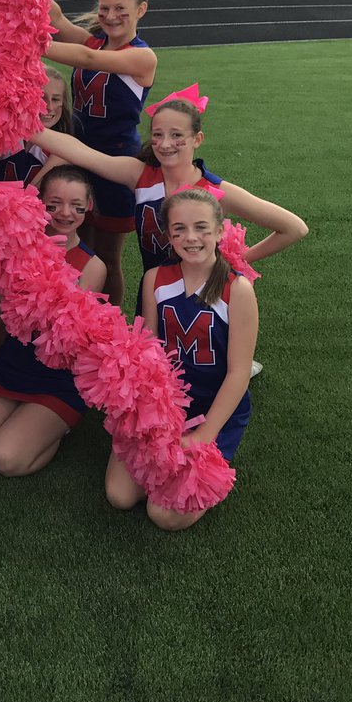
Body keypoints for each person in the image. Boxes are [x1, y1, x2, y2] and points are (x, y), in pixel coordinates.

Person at [28, 89, 309, 314]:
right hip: (154, 293)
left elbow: (294, 228)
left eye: (177, 136)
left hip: (205, 296)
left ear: (197, 139)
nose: (165, 144)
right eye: (159, 134)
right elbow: (81, 153)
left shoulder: (216, 191)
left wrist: (237, 261)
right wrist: (24, 125)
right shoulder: (139, 175)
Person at [104, 189, 259, 531]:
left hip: (214, 407)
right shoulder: (155, 279)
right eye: (179, 229)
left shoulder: (238, 290)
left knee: (165, 515)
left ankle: (211, 462)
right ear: (168, 235)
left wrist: (204, 434)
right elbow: (150, 352)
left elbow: (238, 374)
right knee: (120, 496)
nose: (191, 238)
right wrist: (148, 417)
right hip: (166, 407)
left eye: (202, 228)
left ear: (220, 232)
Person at [0, 167, 106, 476]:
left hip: (58, 378)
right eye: (54, 204)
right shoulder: (19, 249)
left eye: (76, 206)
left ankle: (56, 427)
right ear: (40, 202)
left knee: (6, 459)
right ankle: (28, 423)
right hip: (12, 365)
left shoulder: (93, 267)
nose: (65, 213)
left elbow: (74, 339)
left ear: (88, 206)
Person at [47, 0, 156, 305]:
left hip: (115, 164)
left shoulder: (142, 56)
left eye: (120, 9)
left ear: (141, 9)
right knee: (79, 247)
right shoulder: (92, 39)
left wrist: (24, 46)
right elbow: (56, 18)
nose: (110, 16)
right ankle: (74, 313)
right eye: (104, 8)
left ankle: (106, 326)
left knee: (107, 257)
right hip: (78, 157)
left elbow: (88, 58)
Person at [0, 66, 71, 187]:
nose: (49, 107)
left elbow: (35, 191)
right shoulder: (1, 134)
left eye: (56, 99)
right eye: (42, 98)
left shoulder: (63, 149)